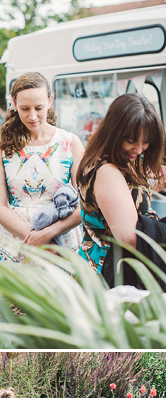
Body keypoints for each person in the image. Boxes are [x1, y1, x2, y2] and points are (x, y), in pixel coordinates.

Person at [0, 72, 84, 265]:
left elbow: (86, 202)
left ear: (50, 101)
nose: (32, 116)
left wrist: (50, 235)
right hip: (14, 244)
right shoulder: (1, 145)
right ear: (14, 104)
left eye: (39, 108)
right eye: (25, 108)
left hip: (61, 244)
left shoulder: (70, 142)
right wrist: (34, 237)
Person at [77, 93, 165, 289]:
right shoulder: (107, 169)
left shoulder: (118, 160)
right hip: (108, 274)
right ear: (114, 132)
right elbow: (128, 236)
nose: (139, 149)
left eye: (146, 142)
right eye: (132, 140)